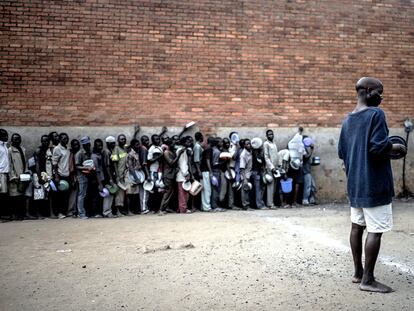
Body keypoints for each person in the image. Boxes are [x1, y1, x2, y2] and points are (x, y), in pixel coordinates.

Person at [338, 77, 407, 293]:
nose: (382, 96)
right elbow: (378, 147)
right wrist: (396, 147)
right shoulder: (376, 114)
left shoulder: (348, 119)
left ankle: (358, 273)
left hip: (355, 185)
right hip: (374, 184)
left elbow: (342, 152)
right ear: (367, 91)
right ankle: (368, 280)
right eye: (379, 92)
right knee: (375, 231)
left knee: (357, 227)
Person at [159, 137, 185, 215]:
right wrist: (179, 154)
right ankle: (161, 209)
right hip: (168, 175)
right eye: (173, 144)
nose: (174, 145)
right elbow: (171, 163)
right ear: (169, 144)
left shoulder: (171, 151)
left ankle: (166, 208)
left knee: (171, 192)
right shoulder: (166, 152)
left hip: (172, 174)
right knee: (168, 192)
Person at [52, 133, 71, 219]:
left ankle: (64, 212)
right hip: (60, 175)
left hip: (67, 174)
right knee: (59, 196)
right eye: (63, 139)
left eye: (67, 138)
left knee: (65, 195)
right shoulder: (57, 149)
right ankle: (59, 213)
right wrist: (56, 176)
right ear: (59, 139)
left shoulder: (67, 149)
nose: (66, 140)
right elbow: (54, 163)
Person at [8, 133, 27, 219]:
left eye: (18, 139)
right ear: (11, 140)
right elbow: (9, 165)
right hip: (15, 177)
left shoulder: (22, 149)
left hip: (22, 176)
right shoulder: (10, 151)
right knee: (14, 196)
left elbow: (25, 162)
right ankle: (14, 214)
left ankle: (21, 214)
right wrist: (13, 176)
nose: (17, 141)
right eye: (15, 139)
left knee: (21, 196)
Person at [75, 136, 93, 219]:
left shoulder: (90, 152)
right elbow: (77, 166)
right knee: (82, 195)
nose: (87, 146)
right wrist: (86, 168)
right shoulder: (79, 154)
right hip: (82, 176)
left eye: (88, 144)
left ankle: (86, 212)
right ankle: (81, 213)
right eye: (85, 145)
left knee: (86, 194)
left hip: (89, 175)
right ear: (83, 145)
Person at [33, 134, 51, 217]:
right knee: (38, 194)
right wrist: (39, 177)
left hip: (45, 174)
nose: (46, 142)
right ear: (41, 141)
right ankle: (38, 213)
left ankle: (45, 212)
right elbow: (37, 164)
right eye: (44, 140)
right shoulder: (38, 150)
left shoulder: (47, 150)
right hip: (38, 174)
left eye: (47, 140)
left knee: (46, 194)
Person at [111, 134, 129, 216]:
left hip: (125, 174)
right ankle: (117, 211)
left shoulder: (125, 148)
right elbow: (114, 163)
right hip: (119, 174)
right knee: (118, 193)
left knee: (123, 193)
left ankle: (122, 210)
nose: (123, 140)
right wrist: (117, 176)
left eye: (124, 139)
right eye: (121, 139)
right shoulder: (116, 149)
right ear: (118, 141)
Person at [263, 130, 279, 209]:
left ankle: (272, 202)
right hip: (270, 168)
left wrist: (278, 166)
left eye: (272, 134)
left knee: (274, 187)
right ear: (266, 136)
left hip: (275, 168)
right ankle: (269, 204)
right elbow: (266, 157)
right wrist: (271, 167)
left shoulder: (274, 143)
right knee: (270, 186)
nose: (271, 135)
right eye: (269, 134)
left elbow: (276, 155)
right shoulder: (266, 144)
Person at [176, 136, 192, 213]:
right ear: (183, 142)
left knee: (183, 193)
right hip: (182, 175)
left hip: (182, 174)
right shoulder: (181, 150)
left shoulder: (184, 150)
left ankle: (181, 208)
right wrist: (186, 174)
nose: (189, 143)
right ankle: (183, 208)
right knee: (183, 193)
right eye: (187, 142)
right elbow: (182, 163)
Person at [102, 136, 117, 218]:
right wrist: (111, 178)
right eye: (112, 143)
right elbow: (107, 166)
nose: (114, 144)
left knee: (111, 193)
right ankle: (107, 212)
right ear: (108, 143)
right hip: (108, 177)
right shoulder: (107, 152)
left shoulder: (110, 151)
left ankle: (108, 211)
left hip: (110, 176)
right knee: (108, 194)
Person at [91, 139, 105, 217]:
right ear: (95, 146)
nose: (100, 147)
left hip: (101, 178)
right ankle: (95, 213)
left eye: (101, 145)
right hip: (97, 179)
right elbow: (96, 171)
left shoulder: (99, 154)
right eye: (98, 146)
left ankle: (99, 212)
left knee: (99, 196)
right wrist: (100, 183)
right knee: (96, 196)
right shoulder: (94, 156)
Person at [251, 138, 266, 209]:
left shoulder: (254, 152)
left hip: (256, 172)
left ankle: (259, 203)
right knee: (258, 189)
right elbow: (260, 161)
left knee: (259, 189)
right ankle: (259, 205)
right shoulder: (256, 154)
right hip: (256, 172)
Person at [200, 137, 214, 212]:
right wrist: (211, 171)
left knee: (204, 190)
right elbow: (208, 160)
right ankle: (207, 207)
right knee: (207, 190)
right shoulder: (209, 149)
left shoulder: (206, 149)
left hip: (204, 171)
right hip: (206, 171)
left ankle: (204, 206)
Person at [67, 139, 80, 217]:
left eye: (78, 144)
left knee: (78, 194)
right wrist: (73, 179)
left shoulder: (78, 153)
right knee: (74, 194)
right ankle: (71, 211)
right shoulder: (72, 154)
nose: (77, 146)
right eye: (75, 145)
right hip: (74, 176)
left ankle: (76, 210)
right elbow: (71, 168)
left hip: (78, 176)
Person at [302, 136, 316, 205]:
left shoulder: (306, 149)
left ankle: (311, 200)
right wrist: (312, 150)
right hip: (305, 171)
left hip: (308, 170)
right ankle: (305, 200)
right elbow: (306, 157)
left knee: (313, 186)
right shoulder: (302, 149)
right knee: (307, 186)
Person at [240, 138, 253, 210]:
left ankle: (247, 205)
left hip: (249, 174)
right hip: (245, 175)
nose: (249, 145)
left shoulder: (250, 151)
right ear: (244, 145)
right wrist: (244, 179)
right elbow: (242, 168)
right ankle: (245, 205)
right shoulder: (243, 155)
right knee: (245, 191)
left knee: (247, 191)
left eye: (250, 143)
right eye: (247, 144)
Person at [0, 129, 9, 219]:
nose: (6, 137)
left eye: (6, 135)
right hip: (1, 173)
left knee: (4, 193)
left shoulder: (5, 146)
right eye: (4, 135)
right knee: (2, 193)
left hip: (6, 172)